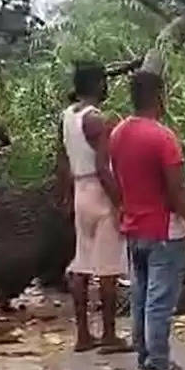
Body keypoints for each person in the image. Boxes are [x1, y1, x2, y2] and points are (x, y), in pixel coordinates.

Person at [109, 71, 185, 370]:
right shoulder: (163, 138)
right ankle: (161, 366)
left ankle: (146, 359)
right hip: (163, 230)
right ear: (159, 96)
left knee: (140, 297)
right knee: (159, 301)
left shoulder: (118, 133)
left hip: (134, 228)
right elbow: (177, 191)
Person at [56, 63, 130, 354]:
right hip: (99, 192)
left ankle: (83, 334)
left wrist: (64, 195)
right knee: (108, 267)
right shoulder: (97, 120)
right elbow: (104, 167)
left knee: (82, 263)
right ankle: (110, 334)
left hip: (79, 190)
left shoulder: (68, 116)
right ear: (98, 84)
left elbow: (61, 159)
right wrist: (120, 202)